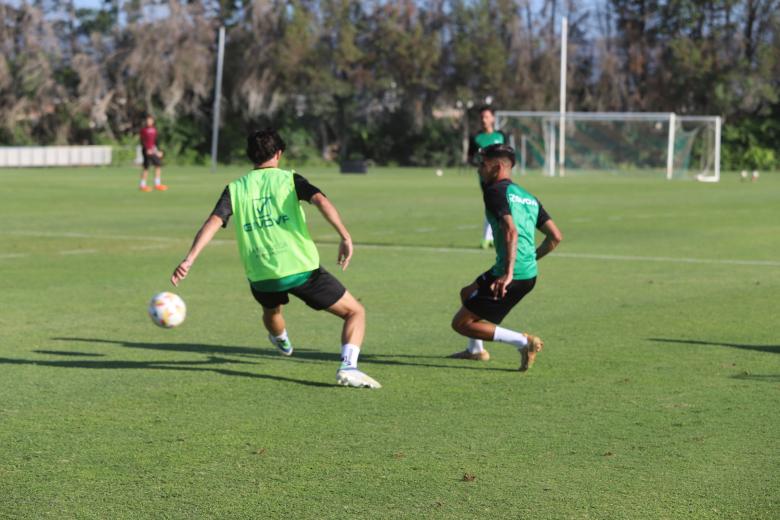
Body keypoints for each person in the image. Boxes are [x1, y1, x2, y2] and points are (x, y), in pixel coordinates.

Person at [170, 128, 380, 389]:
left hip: (261, 275)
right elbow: (321, 201)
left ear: (251, 157)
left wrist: (189, 259)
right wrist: (345, 236)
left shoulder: (235, 188)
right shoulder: (289, 179)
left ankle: (279, 338)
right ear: (279, 153)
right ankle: (349, 367)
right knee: (355, 312)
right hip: (301, 270)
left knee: (271, 310)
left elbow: (214, 221)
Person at [450, 144, 562, 369]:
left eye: (483, 164)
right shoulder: (528, 196)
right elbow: (555, 237)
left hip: (510, 273)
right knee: (467, 293)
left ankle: (524, 342)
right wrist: (529, 259)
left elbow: (511, 230)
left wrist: (510, 272)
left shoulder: (494, 192)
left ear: (498, 167)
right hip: (525, 271)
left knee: (461, 324)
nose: (479, 169)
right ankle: (475, 350)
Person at [467, 106, 510, 249]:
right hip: (486, 178)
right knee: (492, 204)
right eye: (481, 117)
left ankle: (493, 237)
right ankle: (487, 238)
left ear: (492, 118)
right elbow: (470, 157)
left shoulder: (501, 135)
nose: (483, 120)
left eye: (486, 116)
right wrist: (478, 163)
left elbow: (508, 155)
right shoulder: (476, 137)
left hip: (502, 176)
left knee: (500, 205)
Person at [139, 115, 167, 192]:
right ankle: (142, 185)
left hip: (153, 150)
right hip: (146, 150)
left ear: (153, 121)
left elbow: (156, 141)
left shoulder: (154, 130)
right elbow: (142, 140)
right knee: (146, 167)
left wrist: (159, 150)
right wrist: (147, 149)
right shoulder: (143, 130)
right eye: (147, 120)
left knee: (158, 164)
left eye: (150, 120)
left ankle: (157, 184)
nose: (149, 122)